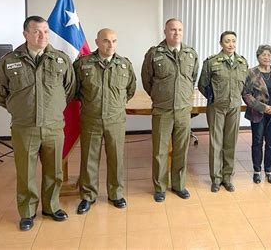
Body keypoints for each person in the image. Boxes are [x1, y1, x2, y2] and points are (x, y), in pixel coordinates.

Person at [0, 16, 75, 231]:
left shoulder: (60, 59)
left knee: (54, 171)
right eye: (37, 31)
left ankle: (52, 207)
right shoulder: (9, 61)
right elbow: (1, 94)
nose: (43, 36)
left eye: (46, 31)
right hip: (24, 127)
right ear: (25, 34)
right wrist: (20, 109)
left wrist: (52, 109)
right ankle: (27, 212)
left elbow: (69, 90)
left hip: (53, 126)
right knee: (26, 172)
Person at [73, 28, 136, 214]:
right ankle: (88, 196)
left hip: (116, 119)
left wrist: (115, 105)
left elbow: (130, 89)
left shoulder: (124, 65)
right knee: (89, 159)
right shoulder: (83, 65)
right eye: (107, 41)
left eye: (114, 41)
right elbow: (75, 90)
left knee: (116, 158)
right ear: (97, 42)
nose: (111, 45)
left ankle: (116, 194)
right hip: (91, 118)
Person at [141, 18, 199, 202]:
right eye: (173, 29)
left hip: (183, 110)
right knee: (160, 150)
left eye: (180, 30)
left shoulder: (191, 54)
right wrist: (160, 96)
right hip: (162, 110)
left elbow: (192, 78)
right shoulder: (154, 54)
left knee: (182, 149)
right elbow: (146, 80)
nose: (177, 33)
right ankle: (159, 187)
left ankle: (179, 185)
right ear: (165, 31)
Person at [198, 31, 248, 192]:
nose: (231, 44)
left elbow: (244, 85)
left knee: (231, 142)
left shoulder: (242, 63)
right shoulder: (212, 62)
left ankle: (228, 177)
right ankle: (216, 178)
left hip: (234, 107)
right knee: (216, 142)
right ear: (221, 43)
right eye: (227, 41)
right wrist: (214, 98)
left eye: (233, 41)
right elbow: (202, 84)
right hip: (216, 107)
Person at [242, 45, 271, 184]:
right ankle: (257, 171)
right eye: (263, 55)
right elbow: (246, 94)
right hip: (257, 113)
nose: (266, 57)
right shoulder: (251, 72)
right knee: (257, 143)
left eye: (269, 55)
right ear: (258, 57)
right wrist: (263, 107)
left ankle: (269, 171)